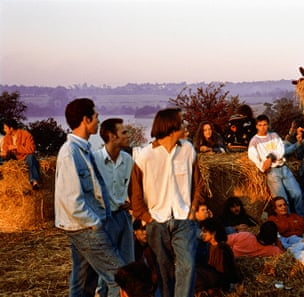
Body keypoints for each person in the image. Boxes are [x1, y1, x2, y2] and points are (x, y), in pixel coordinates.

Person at [54, 98, 125, 297]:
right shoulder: (70, 153)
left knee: (84, 281)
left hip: (84, 226)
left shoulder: (83, 150)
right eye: (96, 117)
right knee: (120, 277)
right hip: (85, 227)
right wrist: (96, 223)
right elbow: (71, 201)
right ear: (86, 119)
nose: (98, 121)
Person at [129, 108, 201, 297]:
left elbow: (198, 183)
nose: (186, 124)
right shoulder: (145, 156)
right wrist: (146, 217)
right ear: (171, 127)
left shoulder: (188, 149)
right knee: (163, 272)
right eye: (182, 121)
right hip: (156, 222)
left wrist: (193, 209)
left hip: (183, 218)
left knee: (188, 265)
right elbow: (134, 193)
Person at [93, 118, 134, 296]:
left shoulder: (127, 160)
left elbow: (132, 187)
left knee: (127, 263)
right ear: (111, 136)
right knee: (107, 267)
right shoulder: (94, 160)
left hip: (123, 217)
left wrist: (131, 202)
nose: (128, 135)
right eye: (123, 132)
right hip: (103, 218)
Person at [248, 114, 304, 216]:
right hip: (272, 172)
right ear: (256, 126)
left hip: (284, 169)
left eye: (265, 124)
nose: (263, 127)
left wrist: (270, 157)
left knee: (297, 194)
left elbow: (281, 150)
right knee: (283, 200)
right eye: (260, 125)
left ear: (268, 125)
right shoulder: (254, 141)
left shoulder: (274, 136)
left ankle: (301, 220)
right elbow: (253, 157)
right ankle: (287, 224)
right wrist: (262, 166)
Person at [195, 218, 241, 294]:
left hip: (221, 280)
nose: (201, 234)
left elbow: (224, 274)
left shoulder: (221, 248)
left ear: (213, 233)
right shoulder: (211, 245)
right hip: (215, 277)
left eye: (205, 231)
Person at [1, 118, 41, 189]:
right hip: (12, 158)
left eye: (5, 128)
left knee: (31, 158)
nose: (4, 130)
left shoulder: (26, 135)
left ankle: (34, 181)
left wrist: (16, 147)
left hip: (24, 157)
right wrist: (4, 153)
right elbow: (5, 148)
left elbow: (32, 149)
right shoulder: (7, 137)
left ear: (11, 128)